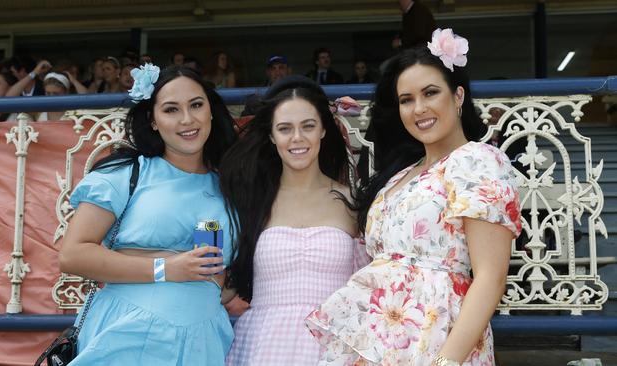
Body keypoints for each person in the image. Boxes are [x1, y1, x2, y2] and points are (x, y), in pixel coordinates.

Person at [306, 29, 522, 365]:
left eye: (430, 93)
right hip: (380, 342)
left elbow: (491, 278)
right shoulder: (400, 175)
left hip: (440, 344)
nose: (418, 108)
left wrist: (446, 361)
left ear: (458, 95)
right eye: (406, 99)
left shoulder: (477, 161)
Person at [58, 65, 238, 365]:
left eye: (196, 105)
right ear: (153, 121)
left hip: (202, 342)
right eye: (171, 109)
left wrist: (219, 284)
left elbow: (230, 272)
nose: (187, 119)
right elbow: (73, 255)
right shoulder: (127, 173)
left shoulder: (232, 184)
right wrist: (166, 268)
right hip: (129, 336)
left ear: (210, 111)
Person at [221, 76, 370, 365]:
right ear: (271, 136)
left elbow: (368, 286)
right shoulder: (250, 201)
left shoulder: (353, 201)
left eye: (308, 126)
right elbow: (222, 278)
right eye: (285, 129)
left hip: (337, 345)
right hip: (263, 346)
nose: (297, 138)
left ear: (324, 130)